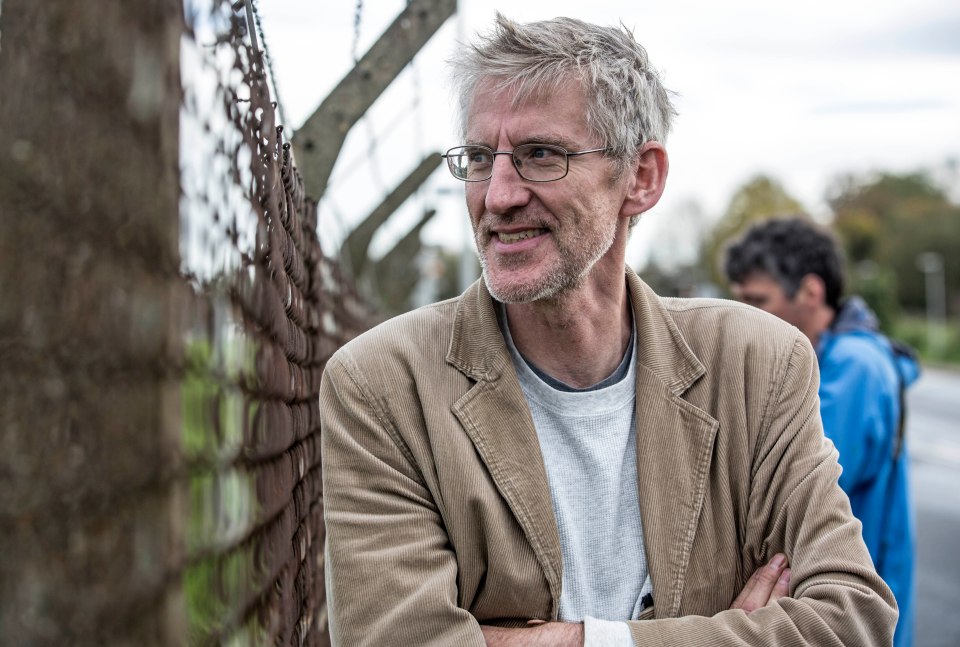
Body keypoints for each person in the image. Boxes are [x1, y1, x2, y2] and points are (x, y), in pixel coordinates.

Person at [320, 14, 896, 647]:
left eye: (541, 154)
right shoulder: (382, 386)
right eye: (481, 159)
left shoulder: (755, 364)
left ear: (641, 178)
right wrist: (727, 631)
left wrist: (555, 639)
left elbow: (851, 617)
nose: (499, 194)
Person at [724, 216, 919, 647]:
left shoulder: (852, 367)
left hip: (845, 614)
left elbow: (784, 490)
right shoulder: (835, 355)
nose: (746, 316)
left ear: (810, 292)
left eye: (758, 300)